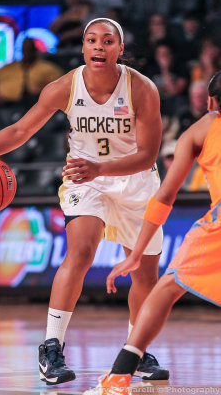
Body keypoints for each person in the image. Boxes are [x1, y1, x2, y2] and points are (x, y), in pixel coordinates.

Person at [0, 18, 168, 385]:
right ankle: (51, 347)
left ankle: (136, 349)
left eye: (107, 41)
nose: (98, 47)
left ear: (120, 50)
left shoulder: (142, 89)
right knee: (81, 251)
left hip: (134, 181)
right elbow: (21, 130)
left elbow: (148, 155)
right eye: (91, 40)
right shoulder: (65, 87)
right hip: (85, 180)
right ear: (83, 49)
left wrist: (101, 167)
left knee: (145, 275)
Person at [84, 71, 221, 394]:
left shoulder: (200, 129)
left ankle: (119, 377)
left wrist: (135, 253)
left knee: (167, 287)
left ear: (210, 102)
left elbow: (164, 197)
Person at [0, 37, 64, 135]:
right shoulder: (8, 67)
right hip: (1, 101)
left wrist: (40, 94)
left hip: (31, 102)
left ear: (35, 50)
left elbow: (60, 87)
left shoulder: (48, 68)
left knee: (37, 101)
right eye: (25, 50)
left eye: (30, 50)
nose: (27, 53)